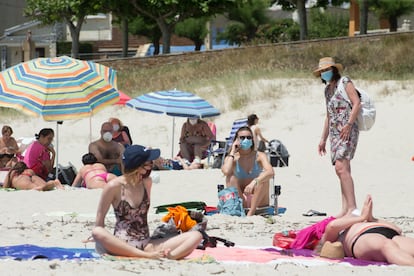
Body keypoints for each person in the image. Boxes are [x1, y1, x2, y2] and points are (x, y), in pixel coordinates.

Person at [91, 145, 202, 259]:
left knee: (196, 236)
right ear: (138, 167)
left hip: (147, 244)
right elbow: (99, 221)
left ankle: (170, 257)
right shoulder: (113, 187)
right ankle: (146, 256)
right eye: (149, 163)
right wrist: (101, 241)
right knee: (97, 232)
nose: (152, 166)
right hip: (122, 246)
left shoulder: (146, 183)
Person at [314, 57, 362, 218]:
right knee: (342, 170)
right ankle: (345, 208)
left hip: (347, 129)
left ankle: (353, 207)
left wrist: (348, 124)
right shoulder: (327, 90)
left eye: (326, 70)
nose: (324, 73)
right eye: (321, 71)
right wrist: (323, 139)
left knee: (341, 167)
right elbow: (329, 116)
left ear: (333, 69)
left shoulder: (345, 82)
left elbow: (356, 103)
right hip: (335, 133)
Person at [319, 194, 414, 266]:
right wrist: (361, 217)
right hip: (362, 236)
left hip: (390, 232)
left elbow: (398, 229)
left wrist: (372, 219)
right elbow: (332, 226)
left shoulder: (360, 221)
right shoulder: (335, 237)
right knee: (387, 245)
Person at [221, 126, 274, 216]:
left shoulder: (260, 156)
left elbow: (271, 172)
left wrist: (254, 182)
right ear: (236, 140)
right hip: (241, 201)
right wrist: (233, 151)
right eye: (242, 138)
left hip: (259, 203)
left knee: (263, 178)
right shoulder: (233, 158)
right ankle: (241, 208)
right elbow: (226, 171)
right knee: (230, 177)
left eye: (249, 137)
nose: (246, 140)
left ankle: (251, 213)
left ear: (252, 140)